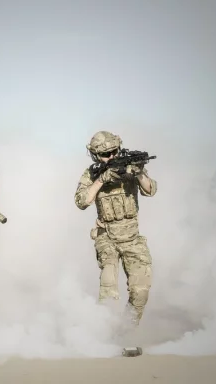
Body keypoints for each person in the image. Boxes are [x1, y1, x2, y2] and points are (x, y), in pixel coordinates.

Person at [74, 131, 157, 327]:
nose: (111, 157)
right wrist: (102, 179)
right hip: (107, 236)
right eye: (105, 154)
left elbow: (150, 190)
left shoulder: (130, 166)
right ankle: (104, 332)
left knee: (141, 291)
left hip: (132, 237)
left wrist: (138, 173)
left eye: (114, 152)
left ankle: (126, 331)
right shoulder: (92, 173)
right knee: (109, 287)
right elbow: (81, 202)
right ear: (95, 155)